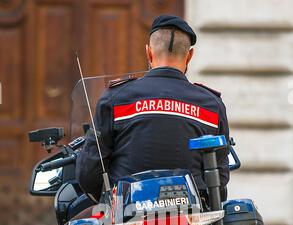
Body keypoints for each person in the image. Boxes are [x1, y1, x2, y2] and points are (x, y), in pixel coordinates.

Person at [75, 14, 230, 205]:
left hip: (127, 219)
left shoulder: (116, 97)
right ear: (189, 56)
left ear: (148, 53)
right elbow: (220, 178)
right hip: (193, 220)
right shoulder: (211, 104)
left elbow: (89, 173)